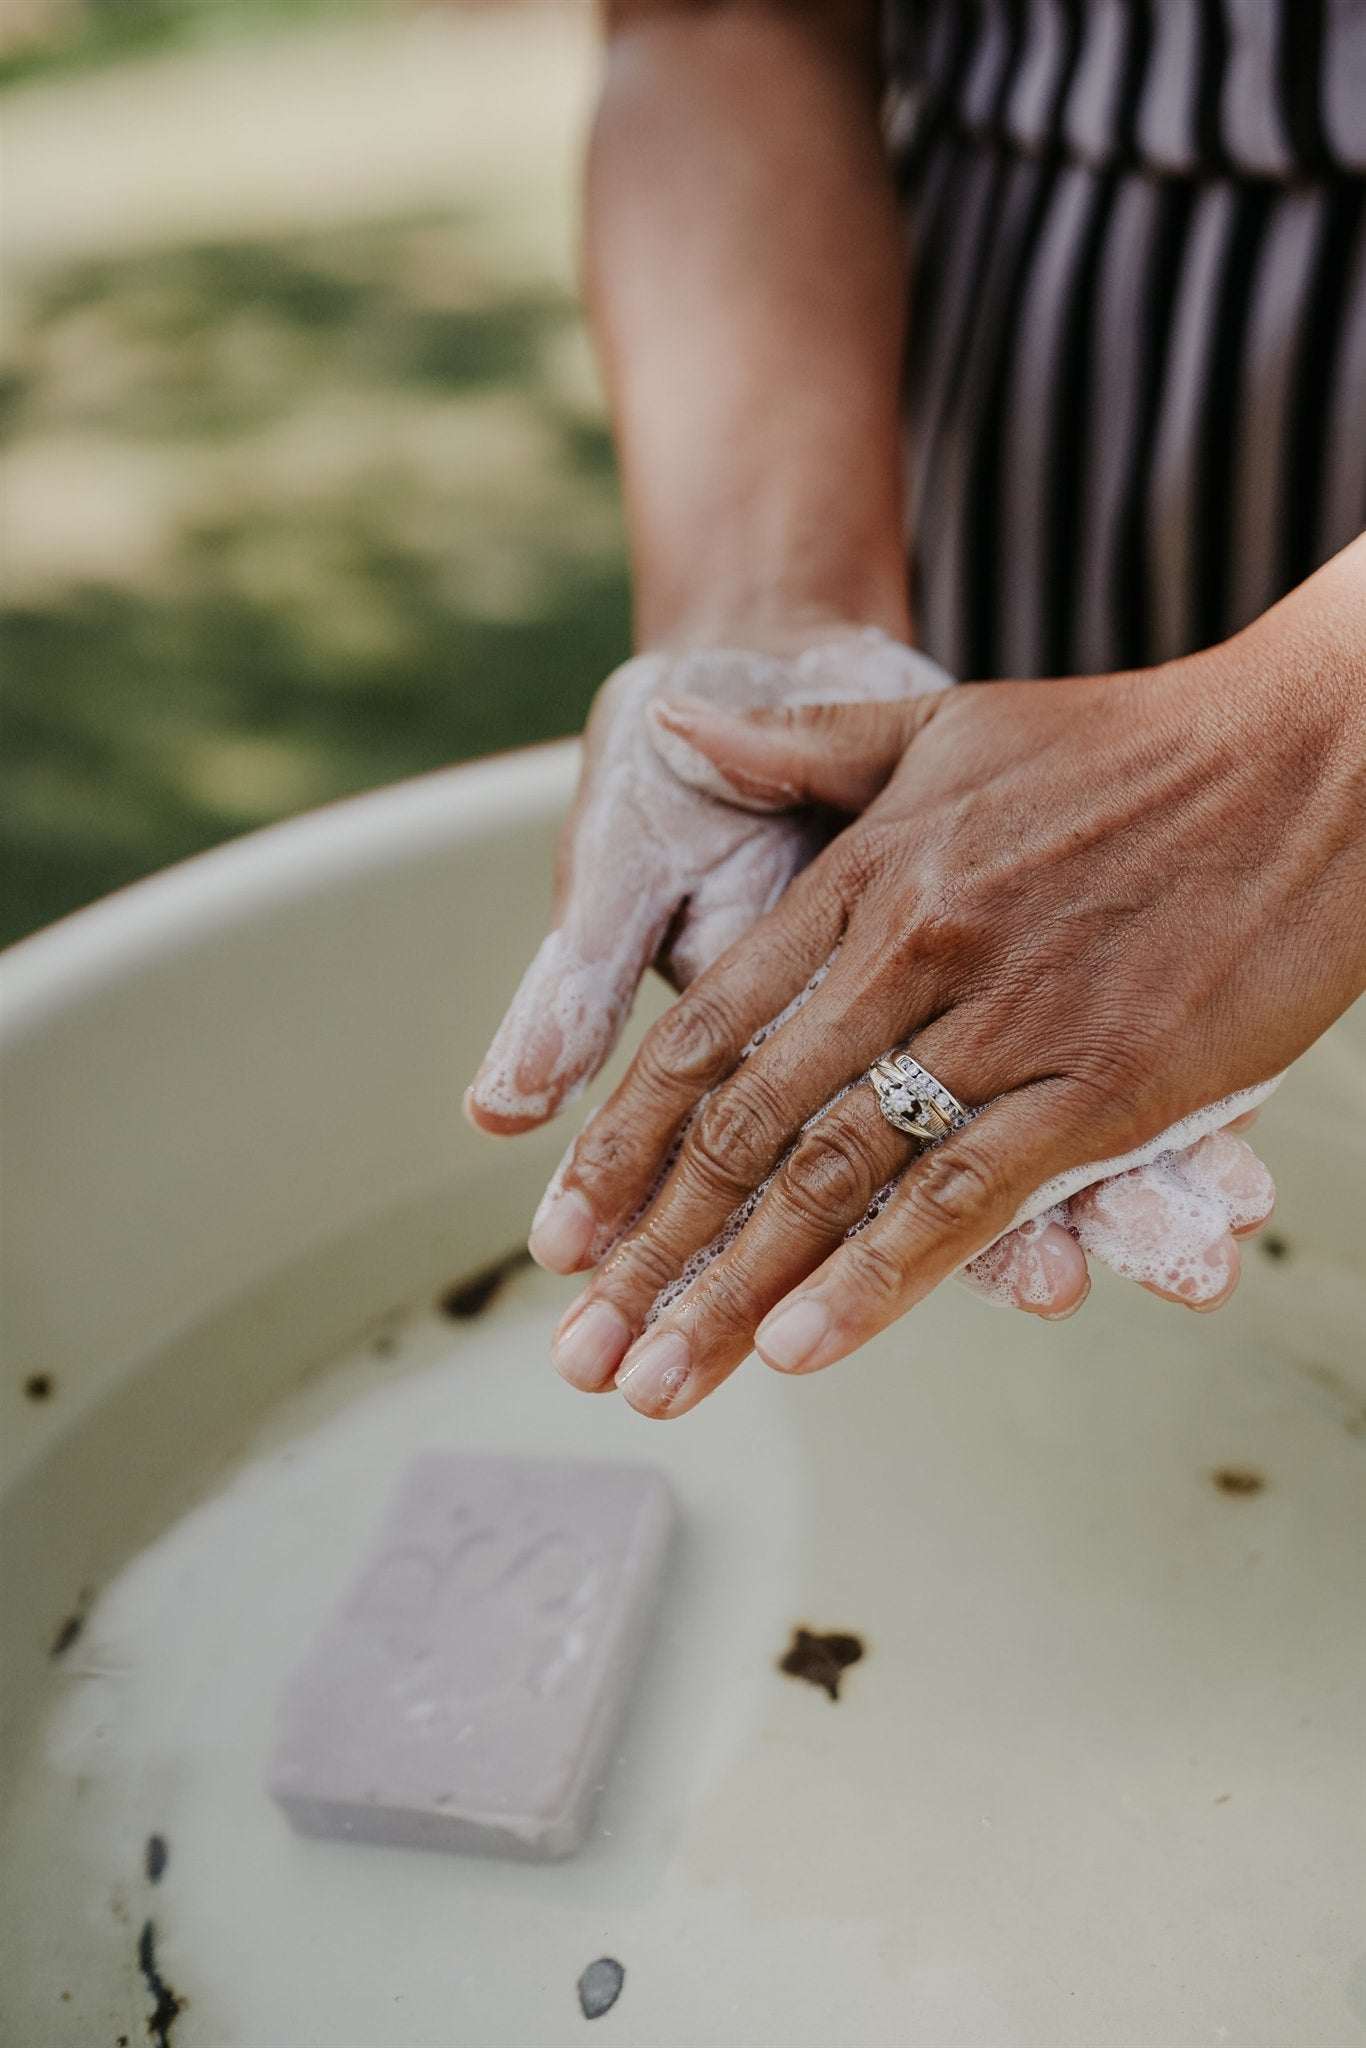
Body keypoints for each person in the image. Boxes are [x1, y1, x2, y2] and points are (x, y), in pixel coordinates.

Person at [467, 0, 1366, 1419]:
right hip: (1017, 394)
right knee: (1049, 1391)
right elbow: (719, 16)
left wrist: (1312, 743)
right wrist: (774, 612)